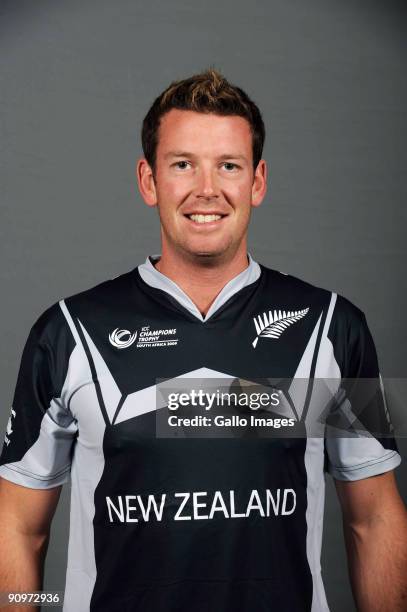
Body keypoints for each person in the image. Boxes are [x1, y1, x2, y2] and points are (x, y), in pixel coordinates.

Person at [0, 68, 406, 612]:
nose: (207, 189)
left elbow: (373, 519)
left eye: (229, 166)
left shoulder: (334, 325)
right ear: (149, 181)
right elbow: (18, 528)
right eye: (183, 164)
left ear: (257, 181)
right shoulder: (68, 332)